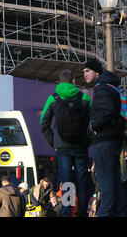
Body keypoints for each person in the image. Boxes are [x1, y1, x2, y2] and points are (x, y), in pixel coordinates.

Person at [40, 69, 91, 217]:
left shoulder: (53, 98)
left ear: (59, 82)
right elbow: (92, 123)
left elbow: (44, 123)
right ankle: (81, 212)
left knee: (67, 181)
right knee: (82, 180)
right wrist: (87, 141)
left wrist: (53, 142)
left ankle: (67, 212)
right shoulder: (85, 98)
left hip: (62, 147)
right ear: (74, 82)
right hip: (81, 146)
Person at [83, 58, 125, 217]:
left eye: (87, 71)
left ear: (97, 73)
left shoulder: (102, 89)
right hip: (113, 141)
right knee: (115, 182)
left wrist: (93, 126)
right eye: (84, 72)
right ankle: (121, 213)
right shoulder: (111, 88)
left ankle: (104, 214)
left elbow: (107, 112)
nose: (85, 74)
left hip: (103, 142)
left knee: (106, 183)